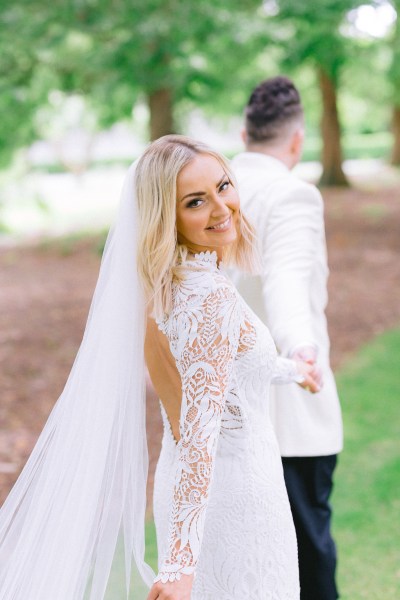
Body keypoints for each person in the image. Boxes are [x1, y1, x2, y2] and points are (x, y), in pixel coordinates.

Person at [0, 134, 320, 600]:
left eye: (223, 186)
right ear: (168, 217)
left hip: (210, 489)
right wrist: (179, 565)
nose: (221, 207)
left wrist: (295, 370)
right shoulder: (207, 299)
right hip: (232, 496)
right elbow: (199, 432)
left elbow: (229, 368)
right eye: (196, 201)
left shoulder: (175, 285)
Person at [231, 77, 343, 600]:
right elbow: (288, 281)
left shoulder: (213, 188)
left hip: (221, 414)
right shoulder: (291, 193)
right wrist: (302, 350)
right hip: (284, 412)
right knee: (305, 563)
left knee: (245, 569)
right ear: (296, 141)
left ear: (243, 133)